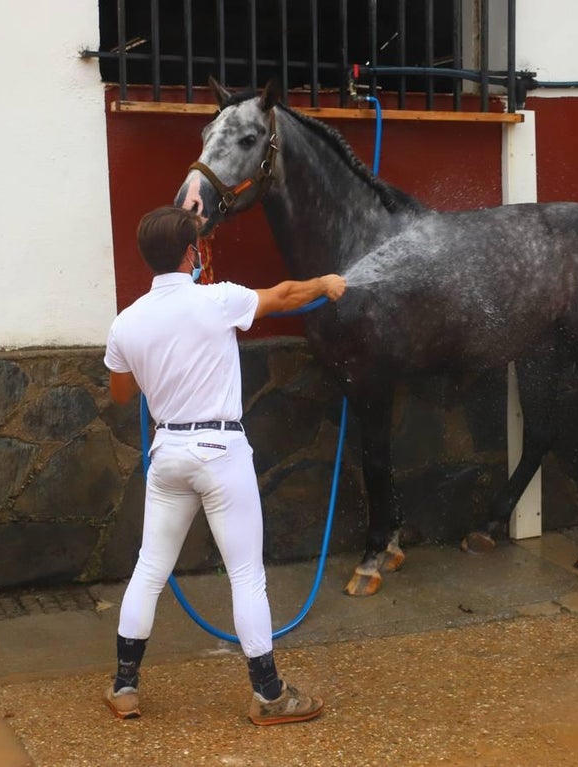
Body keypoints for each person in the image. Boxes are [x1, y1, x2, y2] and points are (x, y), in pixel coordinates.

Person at [102, 205, 346, 726]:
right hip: (221, 452)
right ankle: (270, 696)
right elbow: (282, 296)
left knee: (150, 569)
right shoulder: (219, 299)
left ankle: (125, 686)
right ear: (189, 253)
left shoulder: (126, 323)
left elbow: (122, 393)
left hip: (168, 454)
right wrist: (325, 282)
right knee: (245, 575)